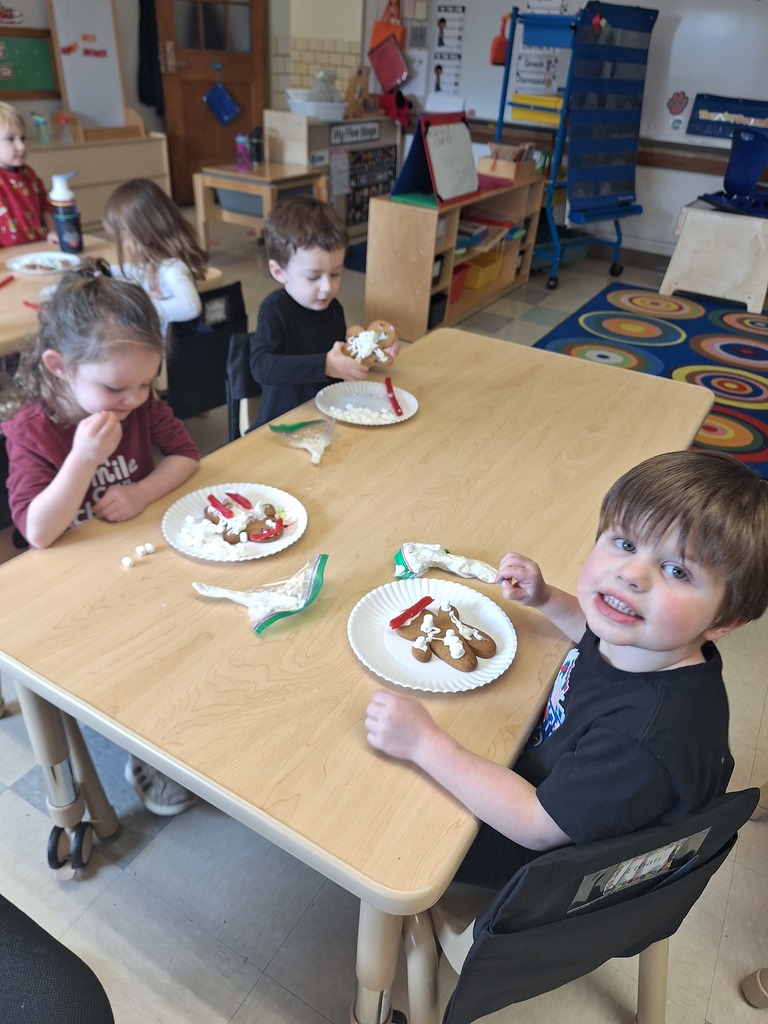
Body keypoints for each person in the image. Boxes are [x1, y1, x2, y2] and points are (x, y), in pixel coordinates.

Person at [366, 450, 768, 887]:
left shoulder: (642, 739)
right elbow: (592, 635)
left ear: (724, 621)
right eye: (626, 543)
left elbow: (534, 825)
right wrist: (546, 599)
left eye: (676, 570)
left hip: (534, 859)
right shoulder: (650, 640)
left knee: (378, 810)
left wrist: (424, 744)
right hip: (556, 787)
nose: (631, 574)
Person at [1, 260, 201, 816]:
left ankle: (178, 730)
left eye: (146, 384)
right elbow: (36, 531)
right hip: (69, 584)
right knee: (129, 665)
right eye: (117, 386)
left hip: (137, 558)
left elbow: (186, 455)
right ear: (59, 367)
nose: (135, 399)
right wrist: (83, 460)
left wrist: (141, 494)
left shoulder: (138, 403)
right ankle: (146, 753)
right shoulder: (31, 430)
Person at [248, 194, 399, 427]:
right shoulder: (274, 310)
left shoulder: (332, 307)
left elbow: (340, 354)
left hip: (329, 414)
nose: (328, 287)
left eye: (336, 274)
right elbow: (261, 366)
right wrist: (325, 365)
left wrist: (370, 349)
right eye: (313, 277)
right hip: (284, 422)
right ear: (279, 272)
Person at [102, 177, 208, 341]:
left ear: (142, 233)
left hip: (167, 355)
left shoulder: (172, 268)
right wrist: (106, 271)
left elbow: (191, 307)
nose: (124, 246)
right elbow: (137, 273)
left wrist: (139, 308)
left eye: (124, 239)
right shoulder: (154, 264)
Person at [0, 101, 58, 247]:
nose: (21, 146)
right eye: (10, 139)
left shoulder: (29, 174)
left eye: (23, 138)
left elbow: (45, 207)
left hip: (38, 247)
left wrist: (52, 231)